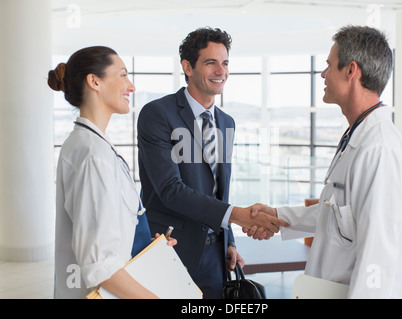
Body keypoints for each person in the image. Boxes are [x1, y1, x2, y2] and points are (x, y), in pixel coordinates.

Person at [245, 26, 402, 298]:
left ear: (351, 71)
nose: (323, 74)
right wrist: (279, 216)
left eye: (328, 65)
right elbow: (338, 212)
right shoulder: (357, 136)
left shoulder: (379, 149)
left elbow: (378, 258)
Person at [137, 27, 288, 299]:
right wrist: (238, 215)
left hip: (215, 255)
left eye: (225, 62)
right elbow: (170, 189)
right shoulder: (158, 114)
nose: (221, 71)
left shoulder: (226, 122)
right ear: (187, 67)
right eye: (211, 62)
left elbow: (220, 190)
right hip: (170, 249)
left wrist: (228, 240)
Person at [50, 46, 176, 299]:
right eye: (122, 75)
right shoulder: (92, 154)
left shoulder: (93, 146)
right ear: (95, 81)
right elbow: (99, 267)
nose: (131, 86)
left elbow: (105, 234)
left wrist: (143, 245)